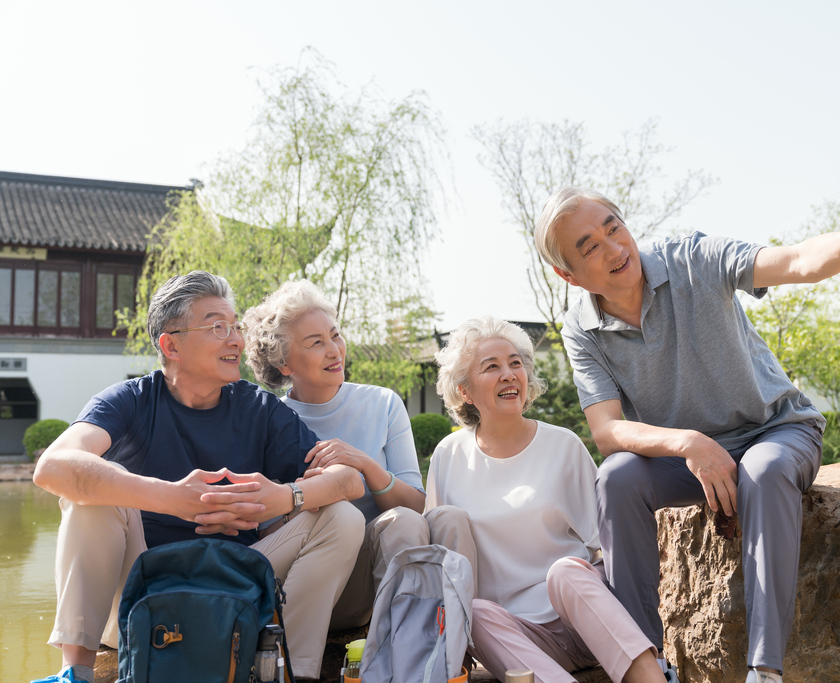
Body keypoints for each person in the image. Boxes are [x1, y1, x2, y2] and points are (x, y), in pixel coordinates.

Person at [533, 172, 840, 683]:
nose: (615, 248)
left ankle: (765, 670)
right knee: (616, 478)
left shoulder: (690, 258)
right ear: (569, 275)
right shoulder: (581, 327)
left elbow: (794, 262)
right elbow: (608, 432)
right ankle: (647, 664)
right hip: (690, 460)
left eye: (615, 228)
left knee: (764, 472)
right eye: (590, 246)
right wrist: (688, 443)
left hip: (775, 430)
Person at [31, 271, 366, 683]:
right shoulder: (130, 401)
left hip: (239, 583)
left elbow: (348, 479)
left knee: (343, 517)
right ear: (170, 344)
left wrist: (283, 497)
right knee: (96, 487)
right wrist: (172, 498)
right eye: (217, 327)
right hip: (140, 590)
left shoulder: (258, 408)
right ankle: (75, 672)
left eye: (235, 327)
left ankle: (291, 669)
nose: (236, 341)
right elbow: (53, 466)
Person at [425, 316, 668, 683]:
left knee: (566, 571)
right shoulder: (448, 455)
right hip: (519, 639)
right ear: (465, 391)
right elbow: (438, 556)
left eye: (515, 363)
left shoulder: (563, 445)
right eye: (492, 367)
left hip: (586, 621)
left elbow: (606, 546)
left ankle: (654, 678)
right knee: (471, 610)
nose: (509, 374)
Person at [243, 279, 429, 631]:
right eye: (316, 343)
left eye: (335, 335)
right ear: (284, 364)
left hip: (371, 585)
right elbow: (262, 534)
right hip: (301, 582)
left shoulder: (383, 403)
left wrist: (365, 465)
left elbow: (417, 507)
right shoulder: (269, 421)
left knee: (404, 522)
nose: (334, 350)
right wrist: (308, 501)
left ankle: (408, 654)